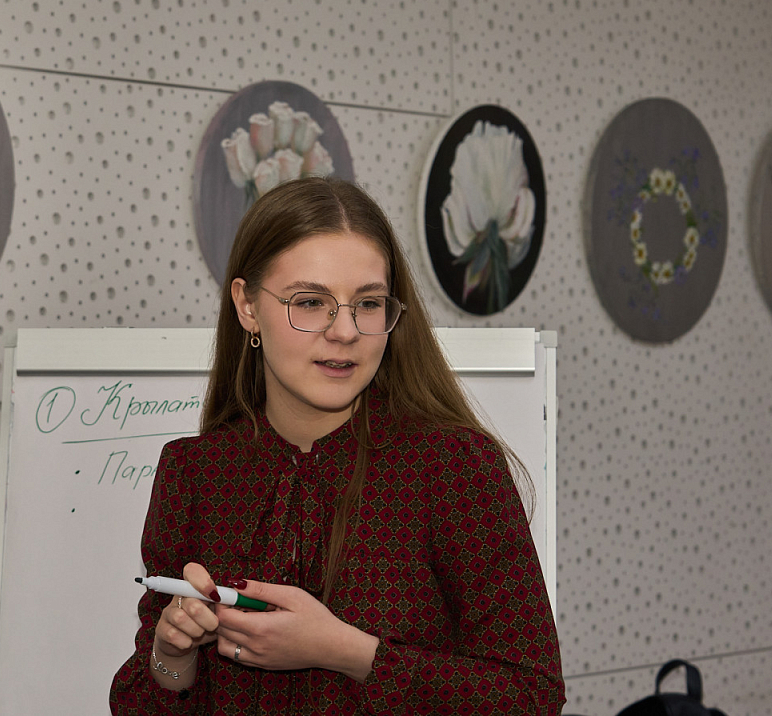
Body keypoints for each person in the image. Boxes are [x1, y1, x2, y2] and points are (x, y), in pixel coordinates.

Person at [110, 177, 564, 714]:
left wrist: (349, 653)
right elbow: (140, 701)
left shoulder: (454, 466)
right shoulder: (194, 471)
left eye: (367, 304)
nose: (346, 331)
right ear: (247, 306)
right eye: (310, 302)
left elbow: (531, 696)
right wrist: (172, 655)